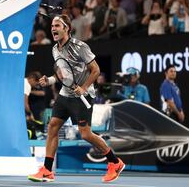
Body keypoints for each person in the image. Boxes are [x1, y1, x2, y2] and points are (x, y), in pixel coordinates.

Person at [27, 14, 124, 183]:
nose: (53, 28)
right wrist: (48, 80)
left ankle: (115, 162)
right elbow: (62, 75)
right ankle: (47, 170)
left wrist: (84, 87)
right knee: (53, 127)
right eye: (52, 26)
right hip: (65, 95)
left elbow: (96, 70)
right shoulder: (55, 49)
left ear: (67, 28)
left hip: (83, 97)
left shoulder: (81, 47)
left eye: (57, 25)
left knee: (85, 134)